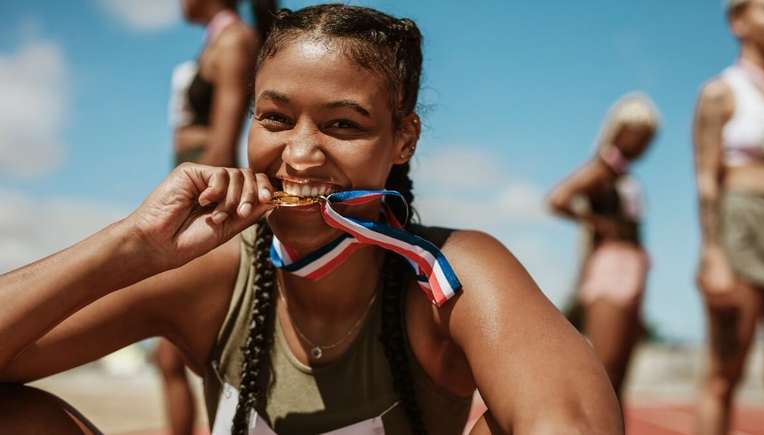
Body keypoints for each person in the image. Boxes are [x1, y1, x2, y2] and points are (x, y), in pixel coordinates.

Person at [0, 5, 621, 434]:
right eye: (274, 118)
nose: (299, 154)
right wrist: (131, 246)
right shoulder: (213, 275)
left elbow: (572, 421)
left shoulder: (451, 276)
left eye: (343, 124)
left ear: (404, 139)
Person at [162, 1, 276, 433]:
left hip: (207, 202)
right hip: (192, 194)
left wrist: (204, 218)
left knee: (182, 353)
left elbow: (225, 145)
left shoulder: (234, 42)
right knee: (172, 355)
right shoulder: (217, 42)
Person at [693, 1, 764, 434]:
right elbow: (706, 179)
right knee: (725, 374)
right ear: (738, 22)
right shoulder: (721, 91)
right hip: (741, 228)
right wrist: (713, 254)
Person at [547, 93, 659, 398]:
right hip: (612, 265)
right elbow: (557, 198)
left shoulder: (625, 174)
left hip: (634, 264)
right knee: (606, 369)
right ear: (619, 129)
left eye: (648, 138)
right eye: (639, 135)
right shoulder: (601, 168)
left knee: (621, 373)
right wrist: (596, 222)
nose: (643, 144)